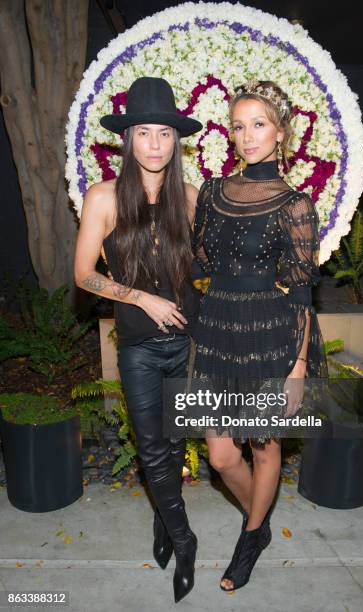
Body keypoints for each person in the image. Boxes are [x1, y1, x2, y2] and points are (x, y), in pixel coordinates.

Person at [191, 79, 328, 592]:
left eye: (259, 124)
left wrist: (296, 371)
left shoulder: (296, 204)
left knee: (264, 445)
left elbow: (300, 296)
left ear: (280, 132)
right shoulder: (211, 191)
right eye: (238, 126)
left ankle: (249, 539)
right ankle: (261, 518)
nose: (247, 136)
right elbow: (201, 260)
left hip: (271, 332)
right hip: (219, 329)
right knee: (222, 452)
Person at [74, 76, 203, 603]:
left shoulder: (191, 197)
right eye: (144, 133)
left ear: (176, 140)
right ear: (128, 139)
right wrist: (140, 297)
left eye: (164, 134)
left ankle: (162, 523)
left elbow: (210, 267)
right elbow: (83, 274)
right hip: (139, 349)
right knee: (152, 449)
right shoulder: (103, 196)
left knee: (174, 446)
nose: (154, 144)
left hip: (187, 346)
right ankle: (186, 538)